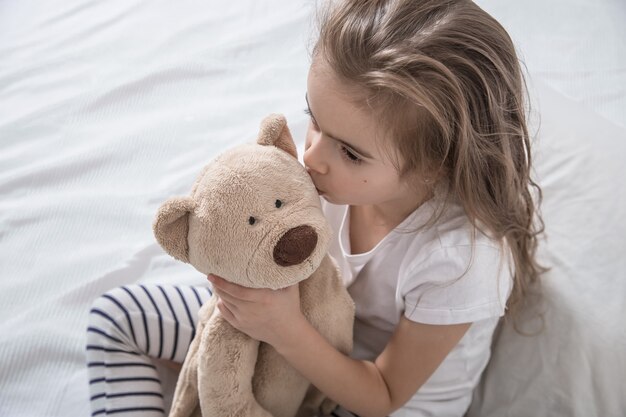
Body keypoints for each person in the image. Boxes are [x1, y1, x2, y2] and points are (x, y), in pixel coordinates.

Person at [85, 0, 544, 416]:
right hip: (301, 326)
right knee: (116, 318)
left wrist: (282, 329)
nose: (312, 158)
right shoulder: (334, 168)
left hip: (368, 392)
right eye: (315, 119)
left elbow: (382, 396)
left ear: (435, 166)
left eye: (349, 153)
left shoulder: (460, 260)